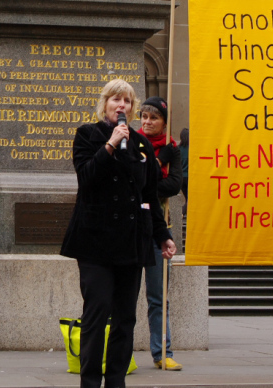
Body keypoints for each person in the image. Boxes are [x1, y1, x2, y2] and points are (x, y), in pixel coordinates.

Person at [61, 80, 176, 388]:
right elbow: (86, 178)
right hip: (95, 242)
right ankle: (89, 381)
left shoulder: (141, 145)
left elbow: (148, 195)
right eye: (116, 99)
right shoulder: (88, 135)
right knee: (97, 313)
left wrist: (162, 235)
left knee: (126, 318)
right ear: (105, 104)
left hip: (130, 242)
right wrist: (110, 144)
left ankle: (116, 381)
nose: (121, 105)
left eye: (127, 100)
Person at [138, 96, 183, 371]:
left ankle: (162, 351)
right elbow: (138, 181)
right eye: (144, 116)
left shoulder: (172, 149)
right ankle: (122, 353)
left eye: (153, 117)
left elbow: (174, 185)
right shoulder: (131, 142)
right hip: (132, 228)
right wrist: (157, 165)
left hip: (159, 229)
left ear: (164, 122)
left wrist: (158, 162)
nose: (147, 121)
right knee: (124, 297)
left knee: (158, 296)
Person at [179, 128, 189, 218]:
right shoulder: (192, 149)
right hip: (189, 177)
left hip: (181, 177)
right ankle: (182, 213)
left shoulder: (178, 149)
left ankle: (183, 213)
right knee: (191, 199)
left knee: (187, 198)